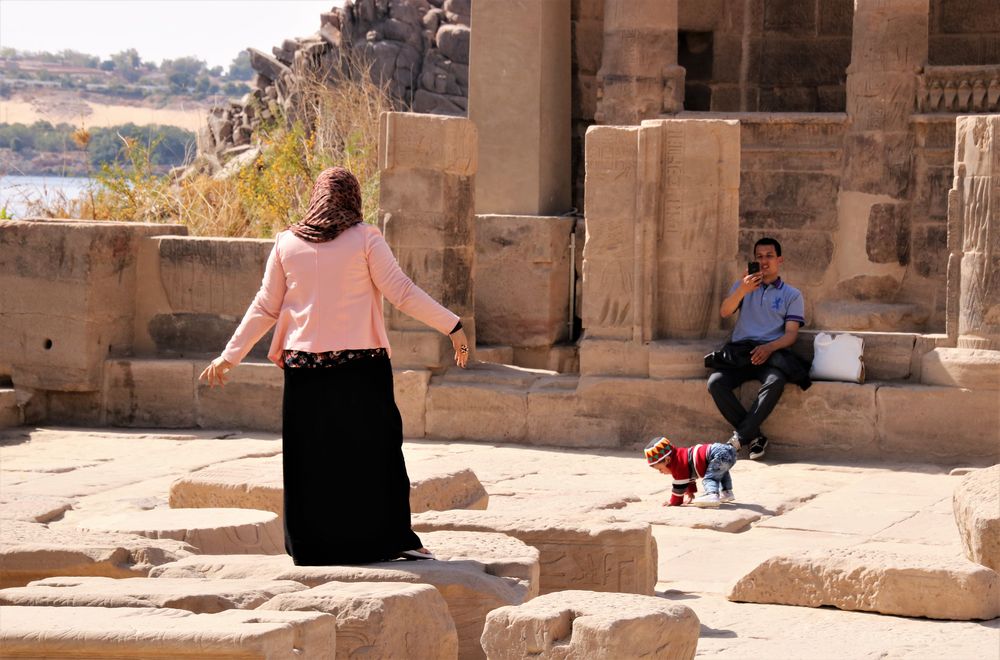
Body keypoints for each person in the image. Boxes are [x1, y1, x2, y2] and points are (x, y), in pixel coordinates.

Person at [199, 166, 470, 566]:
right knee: (377, 455)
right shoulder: (365, 238)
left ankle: (313, 546)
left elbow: (264, 307)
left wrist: (229, 355)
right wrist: (454, 325)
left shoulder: (285, 243)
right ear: (353, 199)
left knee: (312, 460)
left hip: (304, 371)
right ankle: (394, 540)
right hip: (360, 368)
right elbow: (402, 292)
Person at [706, 237, 809, 461]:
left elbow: (791, 334)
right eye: (759, 257)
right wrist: (742, 290)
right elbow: (725, 312)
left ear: (779, 260)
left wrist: (769, 347)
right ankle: (753, 436)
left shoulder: (792, 295)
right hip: (740, 353)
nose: (764, 261)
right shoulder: (743, 286)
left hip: (770, 353)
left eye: (769, 256)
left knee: (776, 381)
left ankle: (738, 439)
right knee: (715, 383)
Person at [644, 436, 737, 508]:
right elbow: (689, 475)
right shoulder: (681, 456)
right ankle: (726, 492)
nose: (661, 472)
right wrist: (690, 492)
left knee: (710, 478)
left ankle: (712, 494)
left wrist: (674, 502)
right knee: (721, 472)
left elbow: (679, 486)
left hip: (717, 453)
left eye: (660, 469)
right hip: (729, 452)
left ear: (667, 460)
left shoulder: (677, 464)